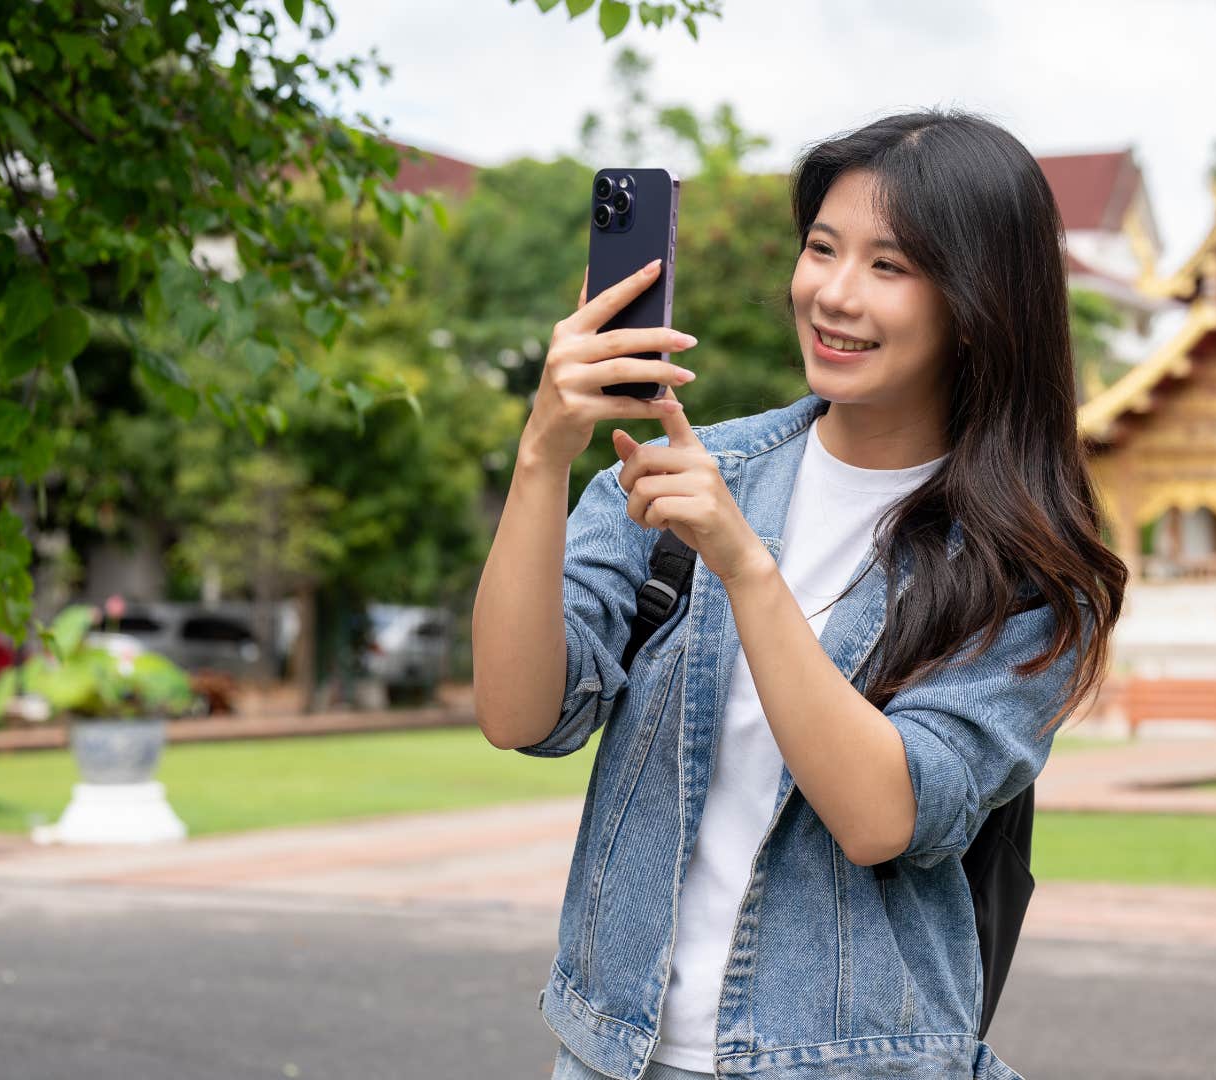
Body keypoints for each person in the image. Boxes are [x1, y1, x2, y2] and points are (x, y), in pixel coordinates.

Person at [471, 108, 1128, 1080]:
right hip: (617, 1055)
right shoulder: (686, 474)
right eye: (822, 249)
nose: (833, 293)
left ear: (979, 301)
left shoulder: (1029, 574)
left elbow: (884, 815)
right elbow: (519, 713)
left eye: (888, 266)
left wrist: (745, 568)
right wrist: (543, 454)